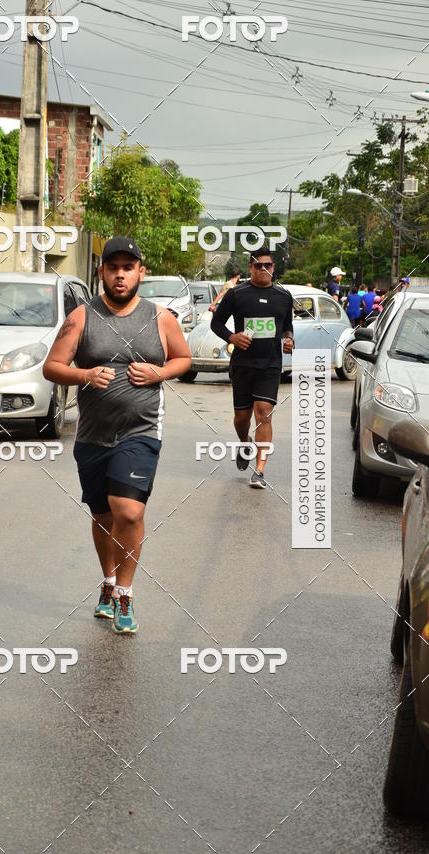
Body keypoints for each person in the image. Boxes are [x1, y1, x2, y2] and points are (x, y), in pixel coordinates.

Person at [42, 237, 191, 635]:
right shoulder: (81, 317)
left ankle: (125, 593)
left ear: (141, 272)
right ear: (102, 272)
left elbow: (183, 357)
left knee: (129, 510)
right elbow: (52, 367)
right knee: (103, 514)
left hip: (141, 432)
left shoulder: (161, 318)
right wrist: (85, 375)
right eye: (113, 267)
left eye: (129, 267)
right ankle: (108, 582)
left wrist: (159, 372)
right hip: (92, 436)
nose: (120, 274)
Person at [210, 246, 294, 489]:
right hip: (243, 365)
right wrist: (232, 337)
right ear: (251, 268)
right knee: (241, 418)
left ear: (273, 268)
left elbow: (287, 326)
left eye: (268, 265)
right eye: (258, 266)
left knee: (264, 411)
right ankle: (245, 443)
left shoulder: (283, 296)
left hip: (269, 365)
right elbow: (216, 323)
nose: (263, 269)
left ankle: (259, 471)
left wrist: (289, 340)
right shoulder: (237, 294)